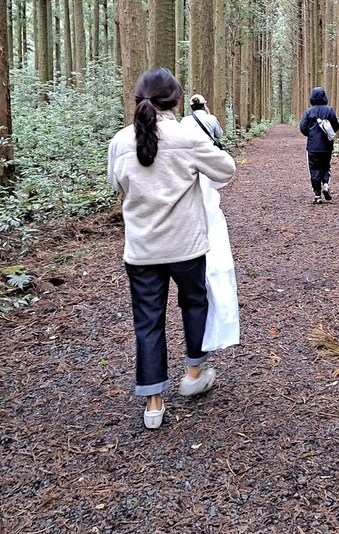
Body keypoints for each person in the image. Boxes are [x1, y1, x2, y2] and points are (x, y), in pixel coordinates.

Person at [108, 68, 236, 429]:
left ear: (138, 100)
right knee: (195, 303)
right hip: (186, 246)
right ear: (176, 101)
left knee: (148, 320)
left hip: (142, 249)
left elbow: (117, 183)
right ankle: (193, 373)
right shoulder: (186, 136)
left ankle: (153, 403)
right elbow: (226, 171)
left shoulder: (119, 141)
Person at [299, 86, 339, 204]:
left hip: (313, 146)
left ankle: (317, 195)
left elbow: (302, 127)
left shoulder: (309, 112)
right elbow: (335, 126)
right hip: (327, 146)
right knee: (326, 166)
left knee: (314, 169)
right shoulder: (329, 110)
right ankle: (326, 184)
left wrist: (311, 135)